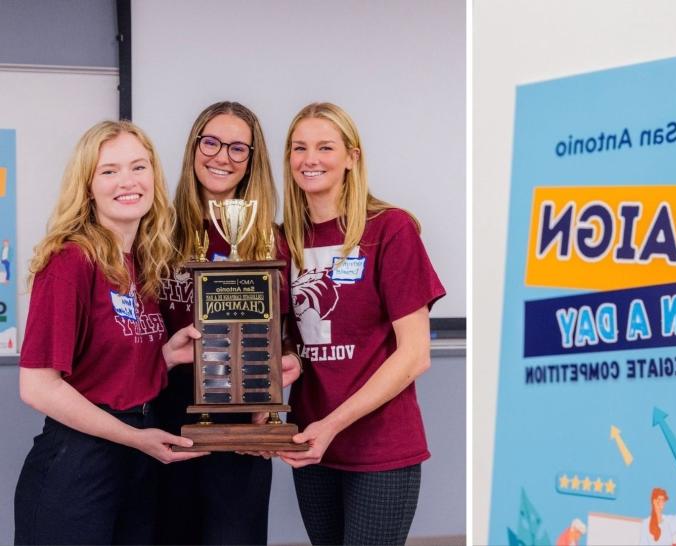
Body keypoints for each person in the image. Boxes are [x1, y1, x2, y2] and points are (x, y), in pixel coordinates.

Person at [14, 120, 206, 545]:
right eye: (109, 170)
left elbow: (108, 368)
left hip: (135, 463)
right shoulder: (68, 263)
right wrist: (135, 438)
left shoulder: (140, 264)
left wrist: (166, 357)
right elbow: (38, 387)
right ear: (87, 186)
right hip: (79, 465)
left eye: (139, 167)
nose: (128, 181)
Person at [278, 102, 445, 545]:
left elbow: (415, 355)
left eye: (325, 147)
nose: (309, 159)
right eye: (299, 148)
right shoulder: (284, 240)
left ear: (352, 157)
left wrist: (331, 425)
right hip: (311, 443)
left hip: (380, 449)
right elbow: (289, 339)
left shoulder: (391, 229)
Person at [154, 101, 300, 545]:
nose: (223, 157)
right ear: (194, 146)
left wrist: (270, 398)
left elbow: (289, 335)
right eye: (212, 142)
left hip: (242, 419)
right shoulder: (156, 231)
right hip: (164, 415)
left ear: (253, 160)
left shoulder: (271, 240)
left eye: (239, 148)